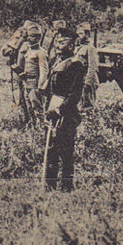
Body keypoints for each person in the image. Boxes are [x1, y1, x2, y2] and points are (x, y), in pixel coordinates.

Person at [43, 25, 86, 191]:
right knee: (50, 148)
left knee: (66, 150)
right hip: (51, 110)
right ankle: (49, 185)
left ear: (71, 45)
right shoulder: (56, 62)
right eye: (57, 42)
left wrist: (59, 110)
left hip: (67, 113)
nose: (57, 46)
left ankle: (67, 186)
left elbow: (74, 94)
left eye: (62, 43)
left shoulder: (75, 65)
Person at [17, 23, 49, 124]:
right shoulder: (29, 51)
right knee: (29, 106)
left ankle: (41, 127)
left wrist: (41, 87)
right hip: (27, 82)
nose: (29, 38)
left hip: (35, 83)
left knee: (37, 107)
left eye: (32, 36)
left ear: (38, 38)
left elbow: (44, 71)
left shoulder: (41, 52)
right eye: (29, 36)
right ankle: (33, 126)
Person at [75, 22, 100, 111]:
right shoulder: (79, 48)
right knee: (80, 105)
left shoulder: (90, 48)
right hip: (80, 79)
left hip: (88, 80)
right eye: (78, 34)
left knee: (88, 106)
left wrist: (87, 83)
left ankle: (93, 123)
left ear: (87, 34)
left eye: (81, 34)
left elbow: (93, 67)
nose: (79, 36)